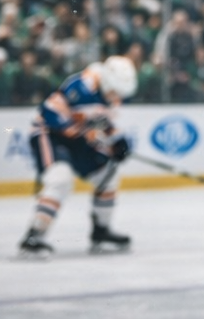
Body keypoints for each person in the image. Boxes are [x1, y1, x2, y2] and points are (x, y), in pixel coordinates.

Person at [17, 53, 137, 256]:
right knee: (60, 178)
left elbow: (103, 122)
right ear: (107, 82)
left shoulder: (113, 94)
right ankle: (34, 236)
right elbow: (49, 112)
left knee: (108, 174)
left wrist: (117, 143)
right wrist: (80, 128)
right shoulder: (81, 86)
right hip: (49, 134)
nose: (118, 98)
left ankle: (101, 231)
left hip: (77, 137)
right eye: (116, 93)